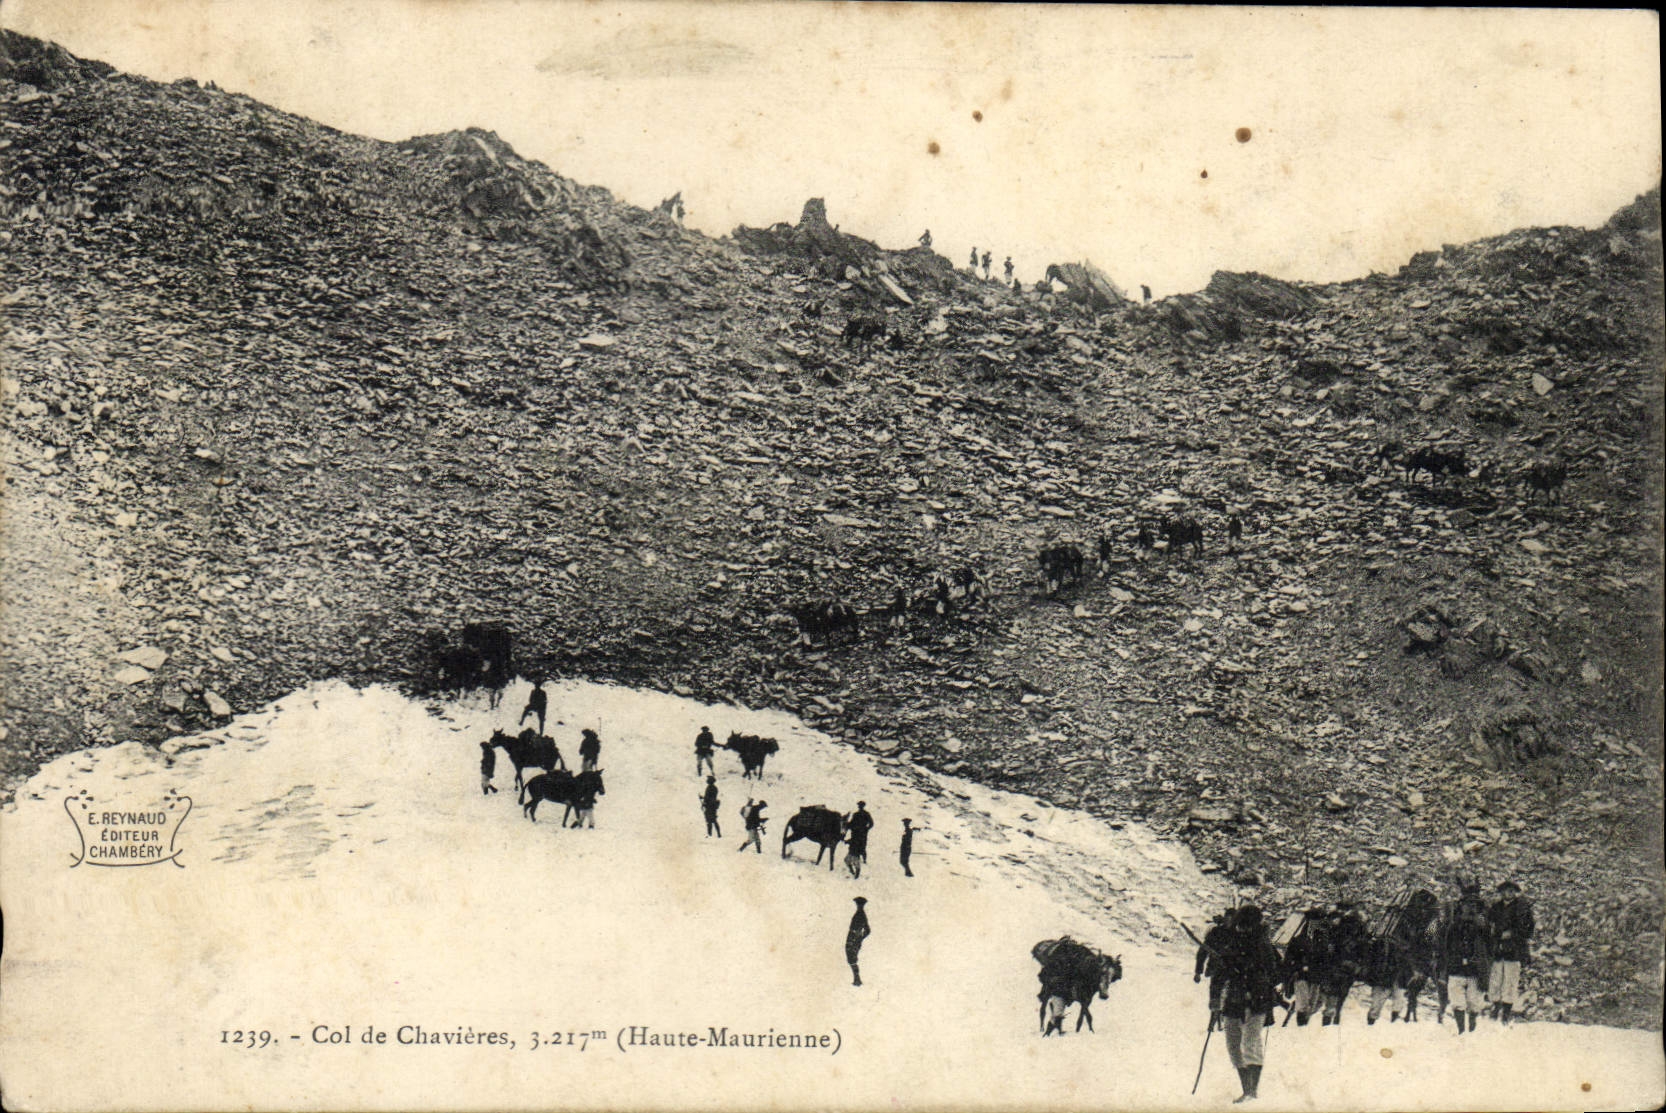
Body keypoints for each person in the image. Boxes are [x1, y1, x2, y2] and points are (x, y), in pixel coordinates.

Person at [1214, 904, 1282, 1103]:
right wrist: (1214, 997)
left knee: (1250, 1042)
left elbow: (1276, 972)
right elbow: (1220, 972)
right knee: (1233, 1045)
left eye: (1245, 926)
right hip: (1234, 999)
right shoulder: (1232, 943)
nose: (1241, 929)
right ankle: (1246, 1089)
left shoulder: (1264, 946)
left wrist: (1258, 978)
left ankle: (1252, 1091)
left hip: (1257, 1000)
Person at [1439, 876, 1493, 1034]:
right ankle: (1461, 1029)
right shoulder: (1454, 925)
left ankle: (1472, 1025)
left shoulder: (1483, 925)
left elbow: (1489, 945)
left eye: (1474, 905)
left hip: (1474, 969)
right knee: (1457, 1000)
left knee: (1473, 1001)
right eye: (1467, 905)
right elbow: (1446, 944)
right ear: (1461, 906)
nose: (1470, 908)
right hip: (1456, 967)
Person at [1486, 880, 1534, 1023]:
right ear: (1502, 893)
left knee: (1510, 981)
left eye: (1513, 890)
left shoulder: (1522, 908)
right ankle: (1495, 1005)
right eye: (1507, 890)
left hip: (1514, 950)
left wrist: (1512, 933)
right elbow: (1488, 925)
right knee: (1495, 979)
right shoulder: (1495, 908)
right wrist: (1492, 932)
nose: (1510, 893)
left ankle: (1506, 1011)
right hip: (1497, 949)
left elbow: (1529, 929)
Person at [1195, 908, 1237, 1018]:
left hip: (1234, 970)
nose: (1230, 922)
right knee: (1215, 991)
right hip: (1217, 968)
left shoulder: (1240, 935)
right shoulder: (1216, 932)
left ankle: (1227, 1016)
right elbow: (1203, 951)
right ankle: (1214, 1015)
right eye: (1228, 918)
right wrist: (1198, 971)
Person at [845, 801, 874, 878]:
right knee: (853, 851)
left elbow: (871, 823)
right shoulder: (856, 814)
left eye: (861, 806)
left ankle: (857, 870)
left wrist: (866, 829)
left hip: (860, 836)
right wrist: (846, 824)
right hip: (856, 835)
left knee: (857, 852)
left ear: (862, 806)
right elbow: (851, 823)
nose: (860, 807)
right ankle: (853, 870)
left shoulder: (865, 814)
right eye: (859, 805)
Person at [846, 897, 871, 986]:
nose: (858, 906)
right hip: (852, 937)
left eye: (858, 904)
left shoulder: (861, 914)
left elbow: (868, 930)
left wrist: (859, 938)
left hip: (853, 938)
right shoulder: (860, 913)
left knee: (851, 958)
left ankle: (857, 979)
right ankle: (856, 978)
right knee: (851, 958)